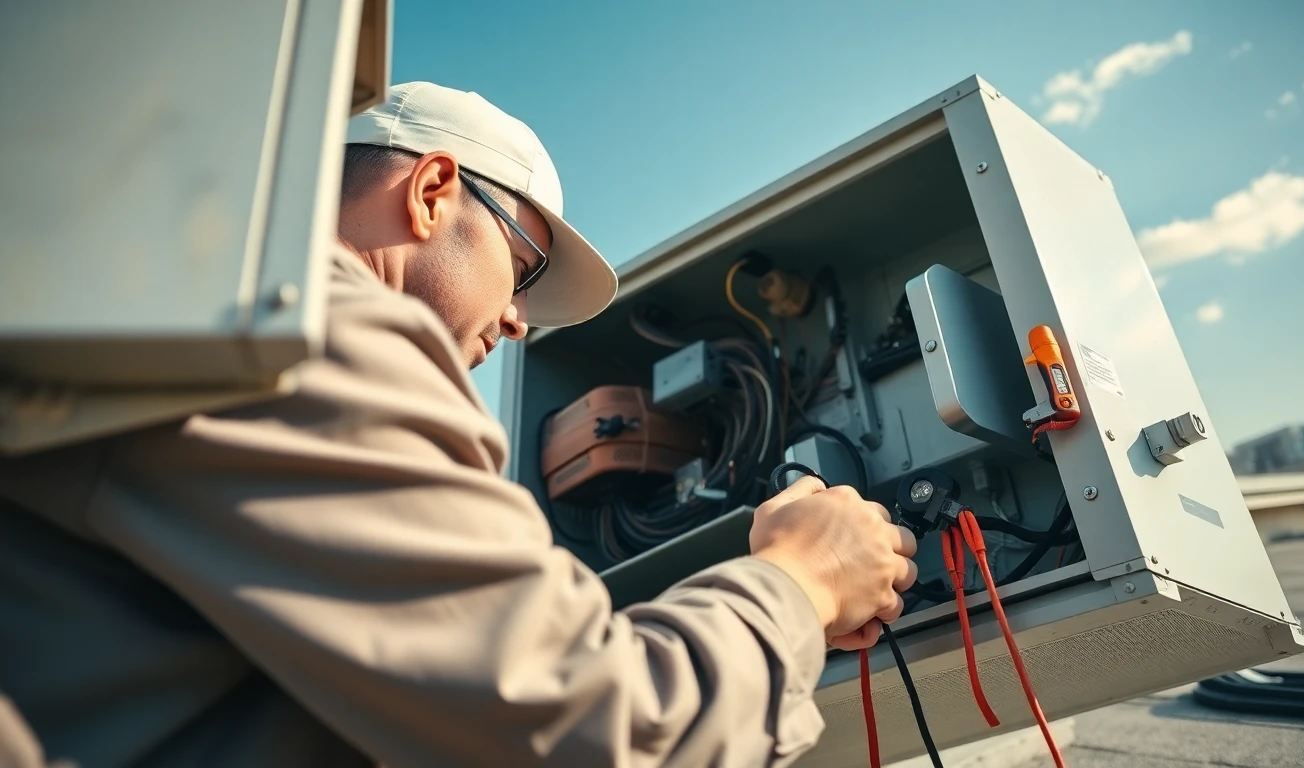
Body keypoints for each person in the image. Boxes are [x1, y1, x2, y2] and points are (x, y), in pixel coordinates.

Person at [0, 82, 918, 767]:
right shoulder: (304, 326)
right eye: (522, 273)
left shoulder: (178, 310)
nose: (520, 322)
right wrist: (803, 579)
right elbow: (592, 731)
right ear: (433, 190)